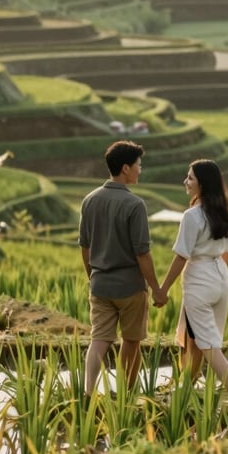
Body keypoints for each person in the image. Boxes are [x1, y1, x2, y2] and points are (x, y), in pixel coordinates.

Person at [79, 140, 166, 395]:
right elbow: (142, 253)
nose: (141, 169)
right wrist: (157, 289)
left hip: (100, 285)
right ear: (126, 168)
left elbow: (85, 246)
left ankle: (87, 392)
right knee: (131, 341)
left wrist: (91, 277)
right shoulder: (135, 205)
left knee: (99, 340)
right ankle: (126, 395)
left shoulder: (90, 200)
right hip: (129, 287)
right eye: (139, 165)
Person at [159, 159, 228, 411]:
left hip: (199, 276)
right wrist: (218, 277)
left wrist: (163, 289)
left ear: (202, 184)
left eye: (190, 178)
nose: (185, 182)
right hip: (220, 276)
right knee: (195, 336)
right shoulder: (226, 211)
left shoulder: (192, 216)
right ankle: (186, 385)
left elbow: (181, 256)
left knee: (207, 343)